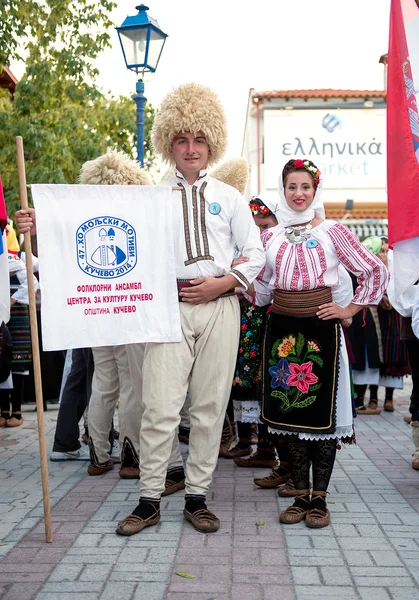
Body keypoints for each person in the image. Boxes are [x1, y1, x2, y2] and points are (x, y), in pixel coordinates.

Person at [118, 83, 265, 536]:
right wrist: (36, 221)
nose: (191, 148)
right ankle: (149, 499)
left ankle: (197, 497)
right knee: (159, 407)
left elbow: (255, 251)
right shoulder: (150, 197)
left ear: (212, 142)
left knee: (208, 407)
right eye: (181, 139)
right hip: (168, 308)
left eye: (199, 139)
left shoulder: (231, 197)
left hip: (221, 306)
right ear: (168, 142)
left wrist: (223, 281)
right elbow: (108, 230)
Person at [246, 158, 388, 528]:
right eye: (292, 187)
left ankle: (320, 498)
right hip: (281, 332)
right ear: (283, 189)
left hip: (321, 330)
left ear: (316, 190)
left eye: (305, 187)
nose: (298, 194)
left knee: (322, 417)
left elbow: (374, 270)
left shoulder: (332, 231)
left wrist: (349, 308)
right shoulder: (269, 237)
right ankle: (300, 491)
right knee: (292, 414)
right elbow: (260, 288)